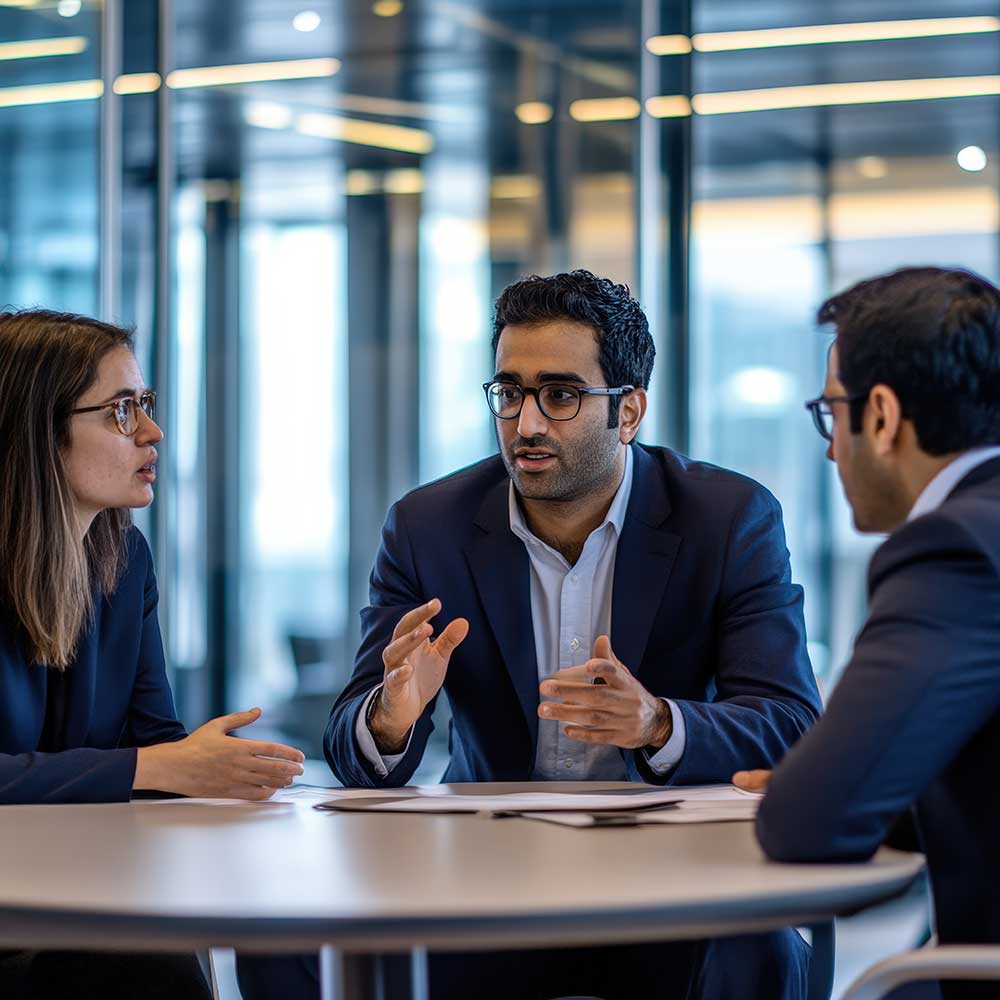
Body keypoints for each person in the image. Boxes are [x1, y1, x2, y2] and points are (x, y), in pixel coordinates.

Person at [315, 270, 822, 999]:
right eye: (509, 393)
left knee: (764, 955)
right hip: (490, 879)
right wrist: (389, 719)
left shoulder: (729, 518)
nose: (525, 424)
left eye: (560, 395)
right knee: (309, 949)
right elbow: (352, 753)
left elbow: (788, 722)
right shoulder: (430, 528)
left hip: (677, 874)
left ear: (629, 411)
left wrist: (657, 724)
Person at [0, 309, 306, 999]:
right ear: (36, 431)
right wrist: (158, 764)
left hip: (81, 896)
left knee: (246, 939)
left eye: (145, 405)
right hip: (21, 922)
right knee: (143, 965)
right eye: (121, 411)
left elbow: (157, 744)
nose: (152, 432)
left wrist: (208, 762)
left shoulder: (122, 557)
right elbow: (151, 762)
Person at [733, 267, 1000, 1000]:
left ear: (880, 417)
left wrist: (817, 783)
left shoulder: (955, 549)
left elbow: (807, 826)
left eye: (831, 414)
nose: (829, 450)